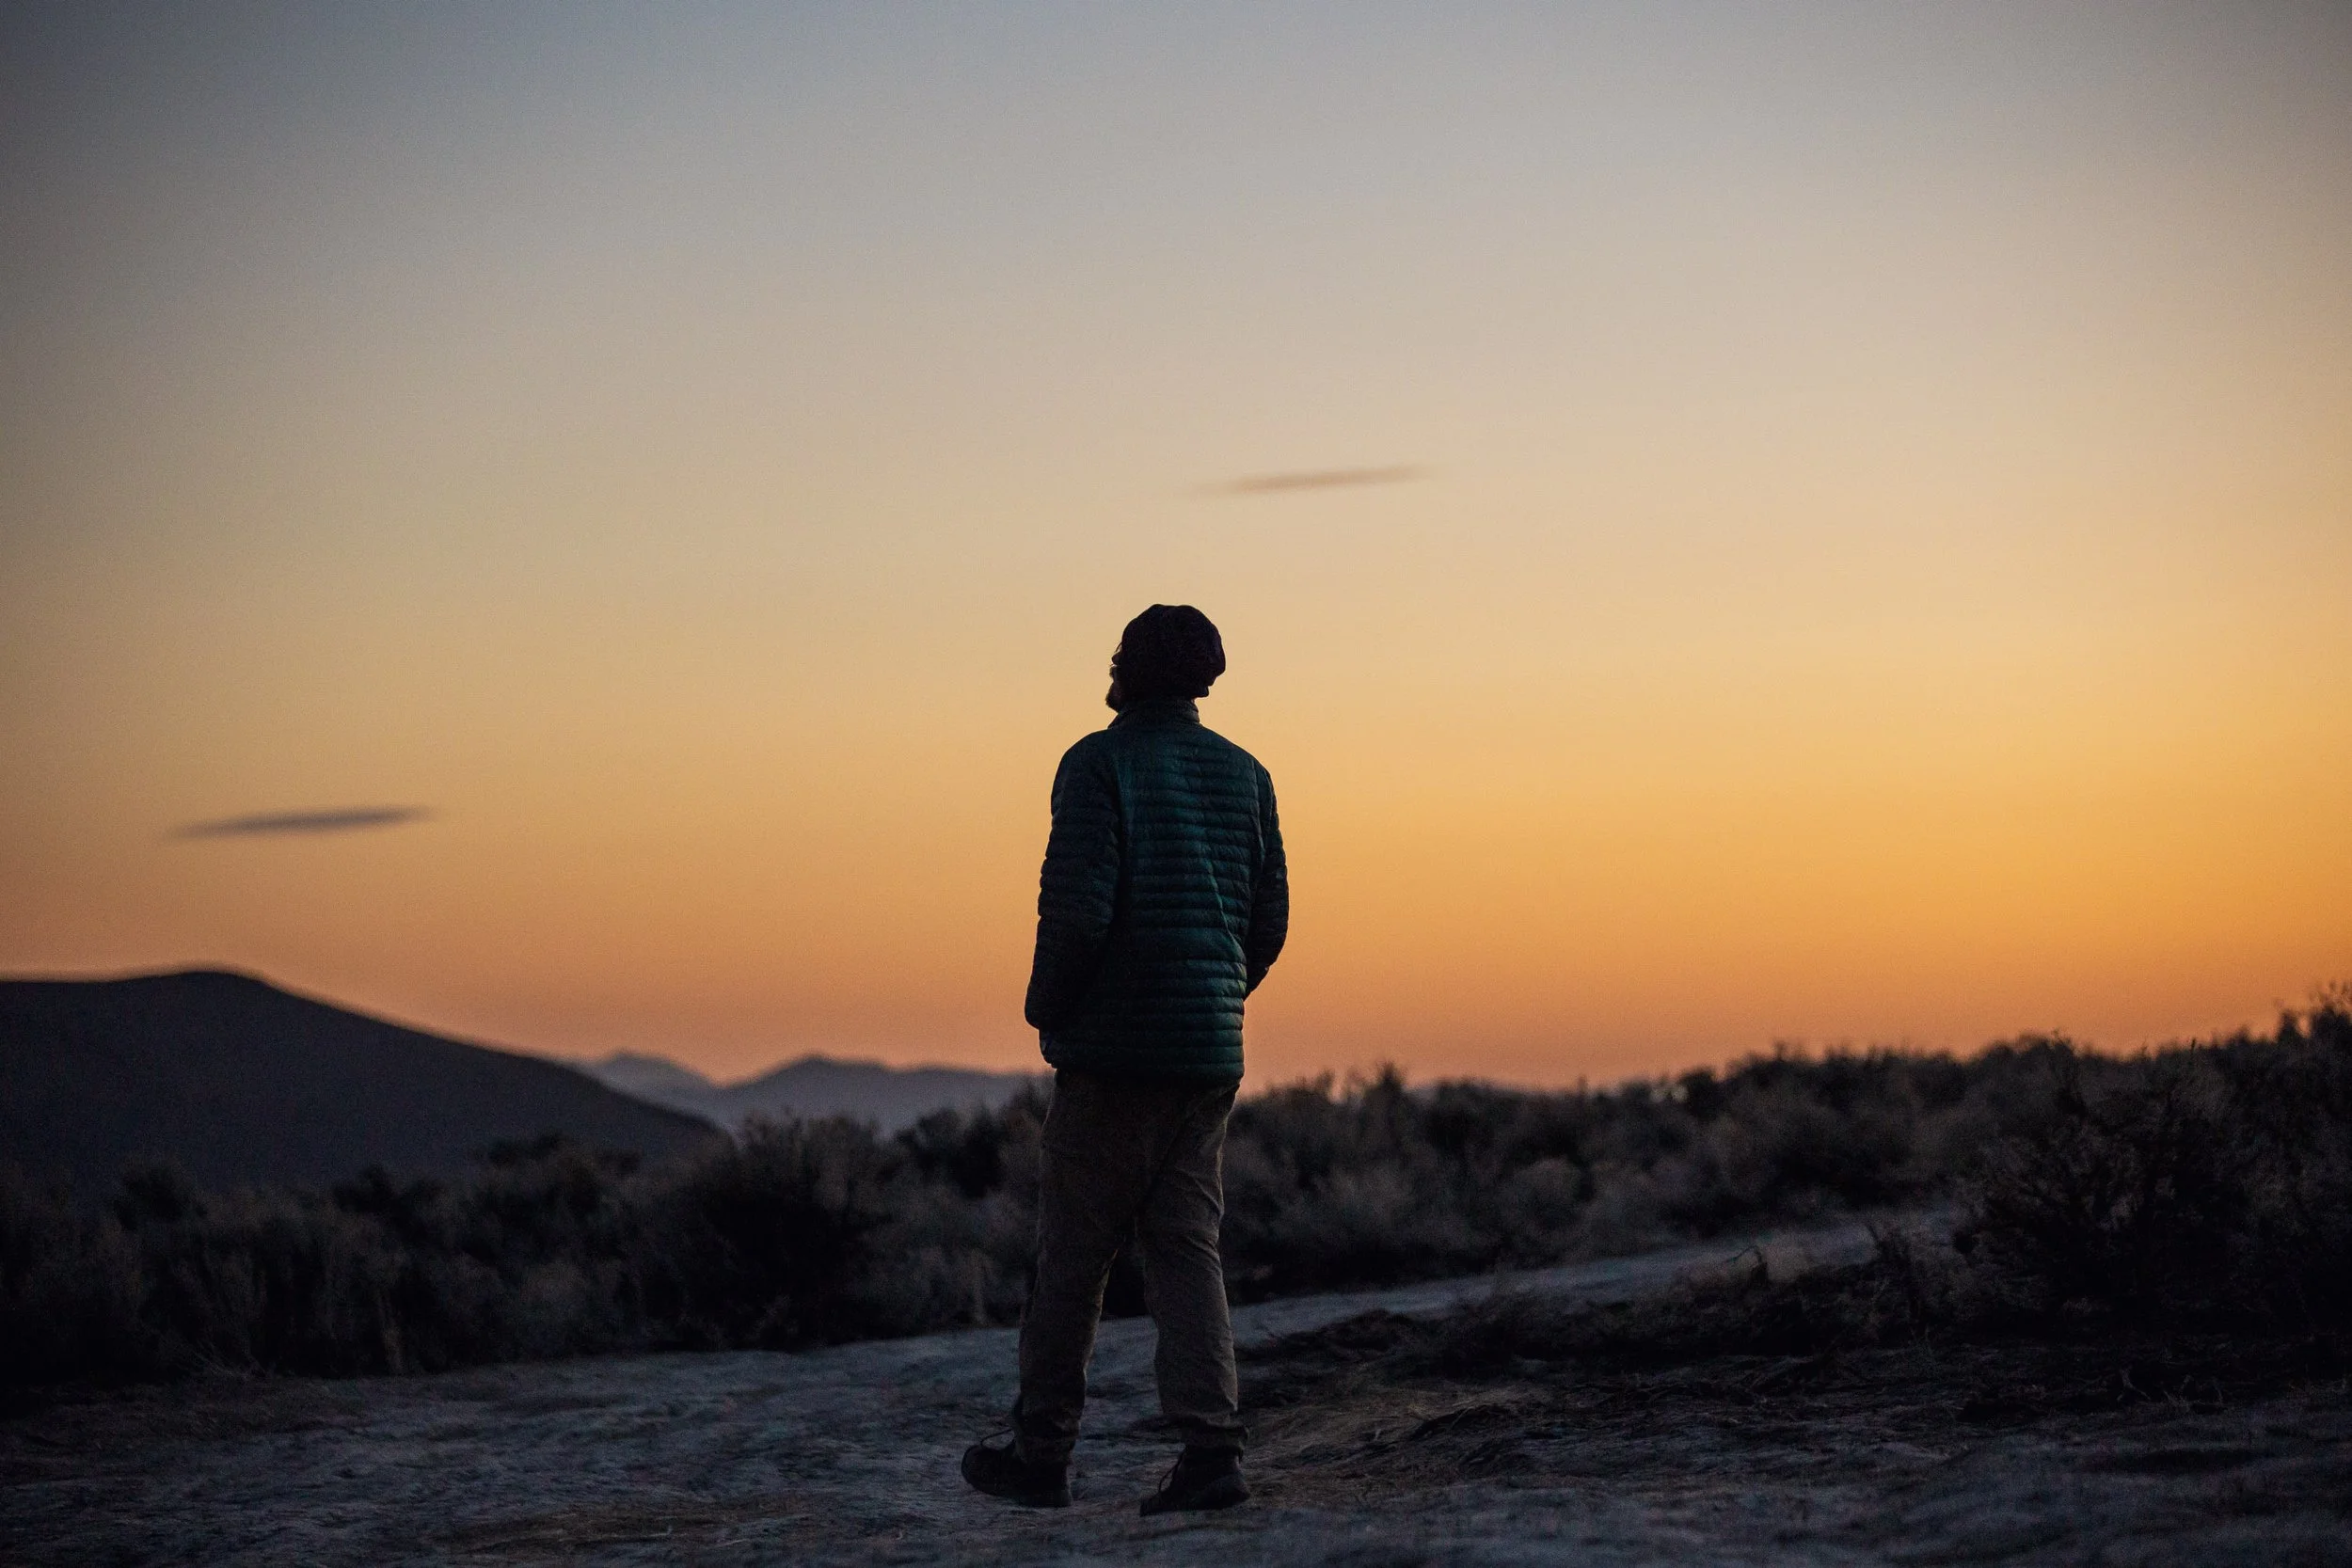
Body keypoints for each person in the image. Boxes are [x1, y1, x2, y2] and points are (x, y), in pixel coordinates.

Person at [961, 604, 1289, 1515]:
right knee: (1187, 1250)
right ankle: (1210, 1450)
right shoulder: (1245, 774)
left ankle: (1041, 1452)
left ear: (1127, 669)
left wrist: (1048, 1006)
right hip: (1204, 1057)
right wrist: (1212, 999)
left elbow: (1075, 911)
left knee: (1072, 1257)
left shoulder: (1098, 763)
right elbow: (1267, 923)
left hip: (1112, 1056)